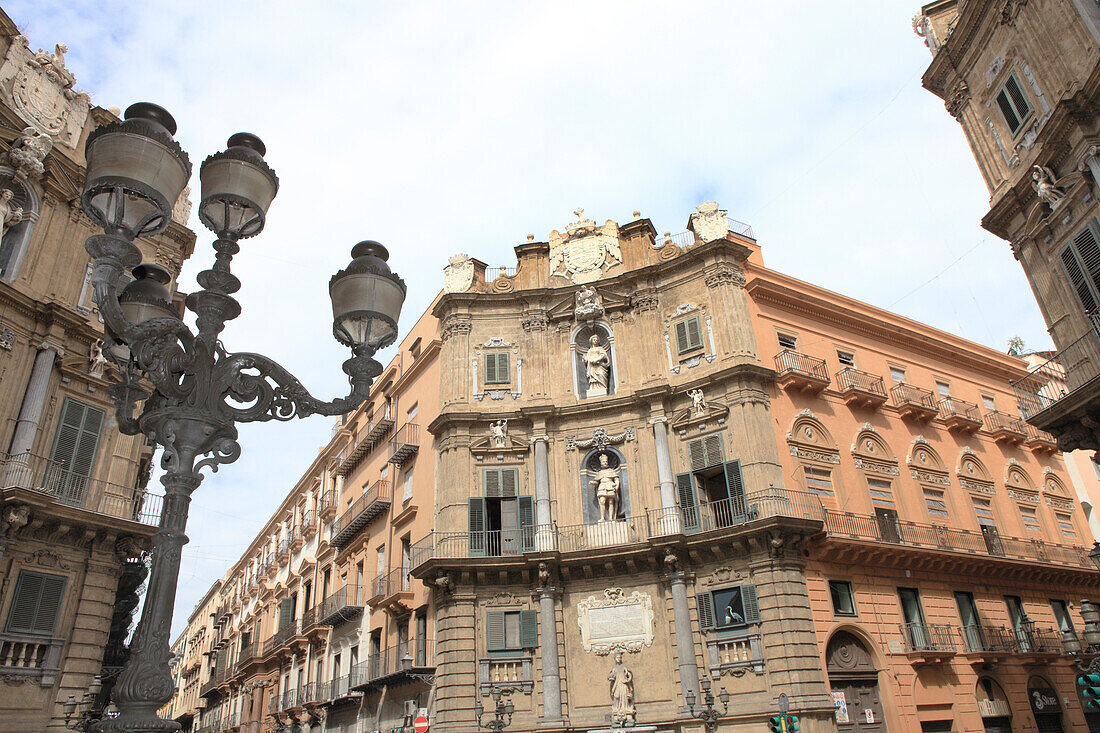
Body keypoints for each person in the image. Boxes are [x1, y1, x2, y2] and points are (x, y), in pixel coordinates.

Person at [590, 453, 620, 522]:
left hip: (610, 485)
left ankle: (611, 518)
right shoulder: (599, 473)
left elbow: (616, 479)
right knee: (602, 501)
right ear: (601, 463)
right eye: (604, 461)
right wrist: (593, 483)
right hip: (602, 486)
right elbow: (596, 481)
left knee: (610, 502)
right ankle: (603, 517)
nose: (605, 462)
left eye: (606, 461)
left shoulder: (611, 471)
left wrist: (617, 486)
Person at [608, 652, 636, 724]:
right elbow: (610, 676)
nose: (619, 659)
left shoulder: (624, 667)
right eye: (617, 657)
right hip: (617, 685)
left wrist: (628, 677)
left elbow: (628, 674)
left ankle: (626, 710)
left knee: (624, 698)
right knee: (616, 697)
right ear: (615, 659)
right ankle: (617, 710)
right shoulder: (614, 668)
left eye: (620, 657)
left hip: (623, 684)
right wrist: (611, 676)